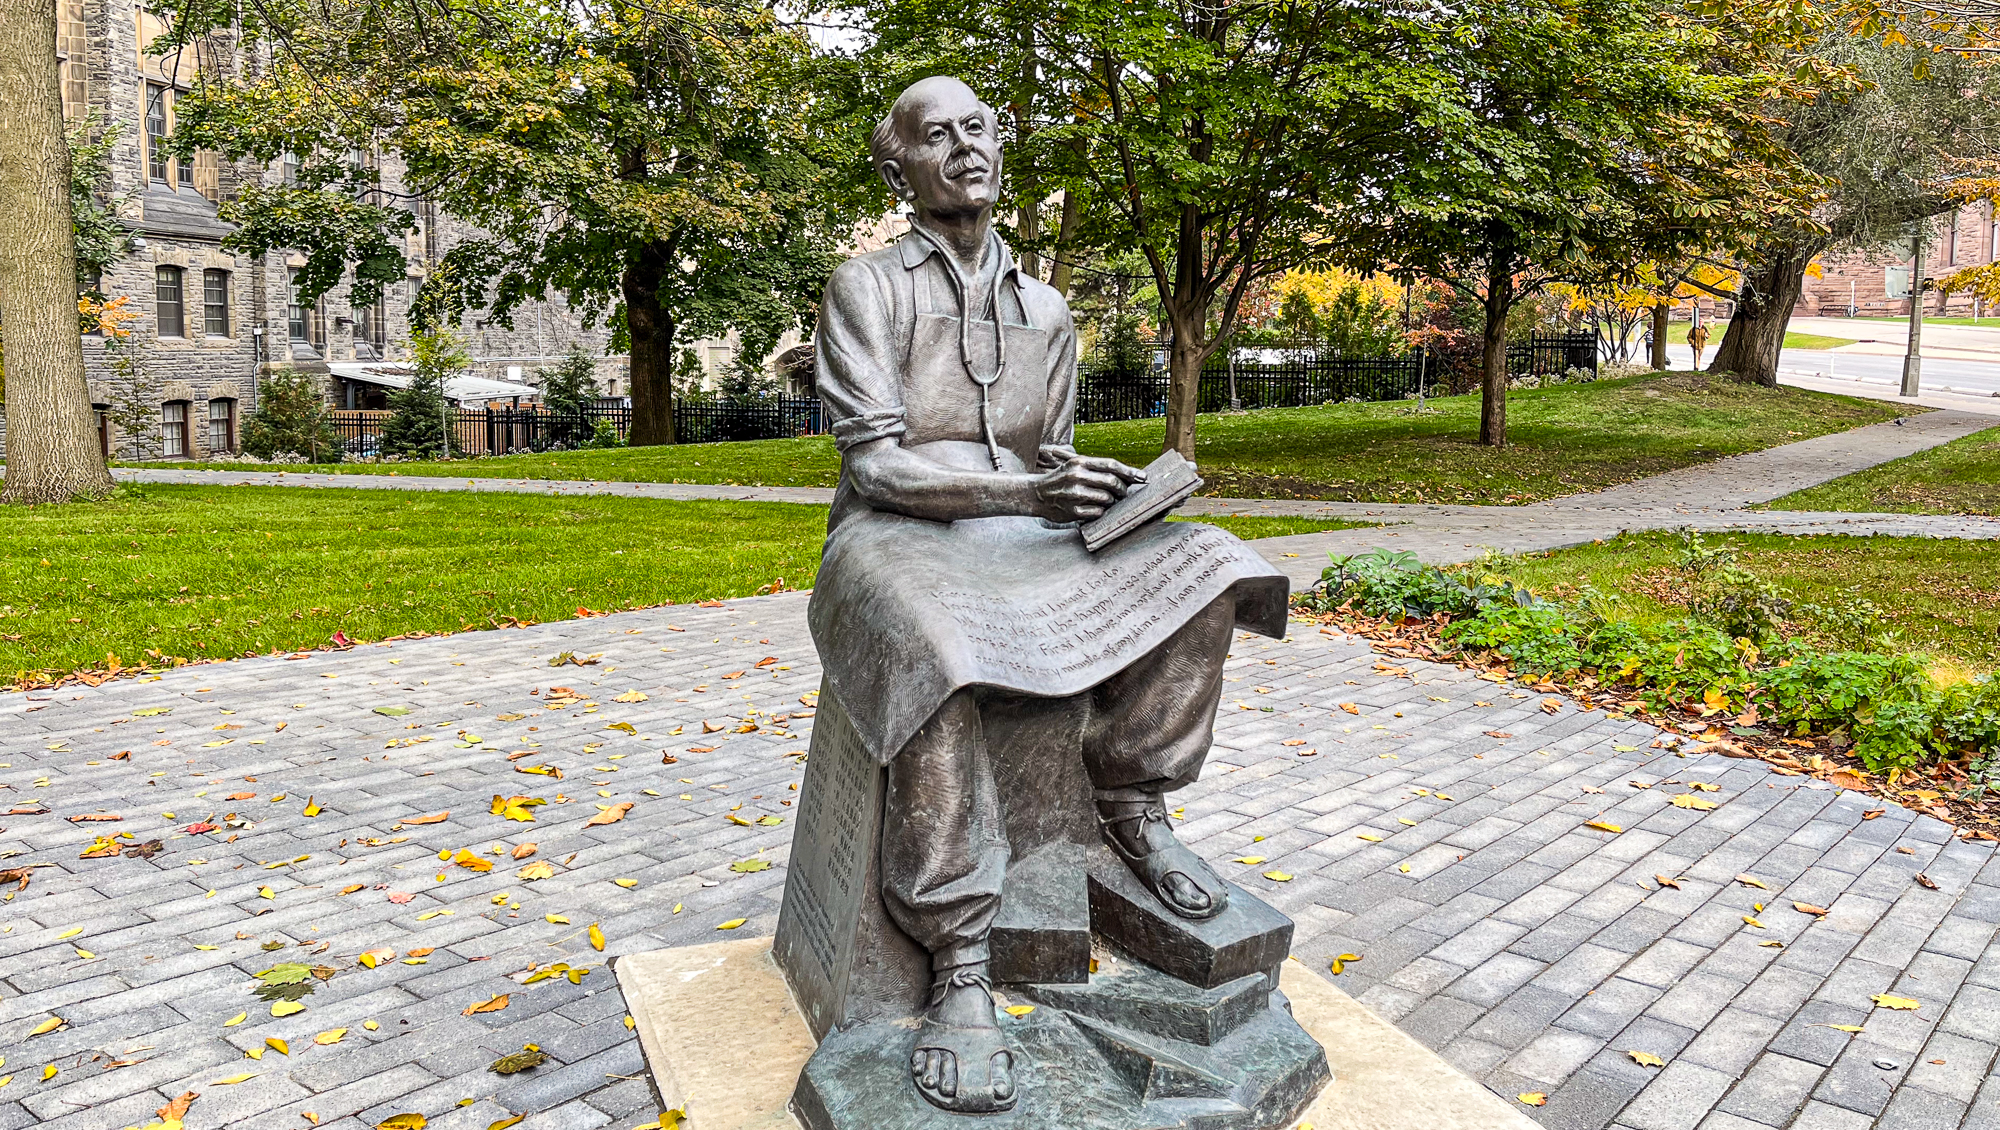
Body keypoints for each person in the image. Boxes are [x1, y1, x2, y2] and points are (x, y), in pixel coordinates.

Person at [807, 76, 1287, 1115]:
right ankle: (961, 955)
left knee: (1207, 565)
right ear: (899, 169)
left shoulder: (1046, 306)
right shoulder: (867, 287)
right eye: (935, 138)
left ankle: (1127, 799)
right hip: (892, 540)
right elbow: (878, 468)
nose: (964, 150)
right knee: (934, 641)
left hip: (1023, 533)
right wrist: (1029, 487)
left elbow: (1049, 456)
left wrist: (1098, 495)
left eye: (977, 131)